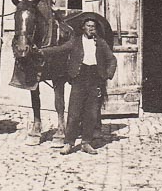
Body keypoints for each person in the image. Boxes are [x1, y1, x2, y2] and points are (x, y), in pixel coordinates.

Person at [45, 16, 117, 155]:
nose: (91, 29)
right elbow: (60, 49)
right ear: (83, 28)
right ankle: (69, 143)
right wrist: (42, 51)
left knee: (91, 113)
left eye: (93, 27)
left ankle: (86, 143)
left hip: (95, 79)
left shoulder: (101, 43)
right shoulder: (75, 42)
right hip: (79, 78)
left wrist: (107, 74)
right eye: (88, 26)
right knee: (74, 113)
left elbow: (112, 59)